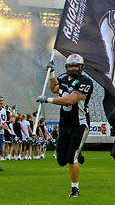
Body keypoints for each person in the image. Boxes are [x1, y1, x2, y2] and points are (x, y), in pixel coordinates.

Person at [36, 53, 93, 197]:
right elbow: (55, 88)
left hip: (79, 123)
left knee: (71, 158)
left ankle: (75, 189)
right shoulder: (63, 77)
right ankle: (77, 151)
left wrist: (47, 100)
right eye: (71, 66)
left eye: (76, 66)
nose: (73, 68)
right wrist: (51, 73)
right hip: (64, 123)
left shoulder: (85, 81)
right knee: (61, 160)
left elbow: (70, 100)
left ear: (81, 67)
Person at [0, 94, 9, 171]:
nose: (1, 102)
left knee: (0, 149)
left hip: (1, 132)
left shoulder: (3, 110)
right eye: (0, 101)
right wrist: (1, 126)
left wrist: (5, 125)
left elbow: (4, 120)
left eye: (2, 100)